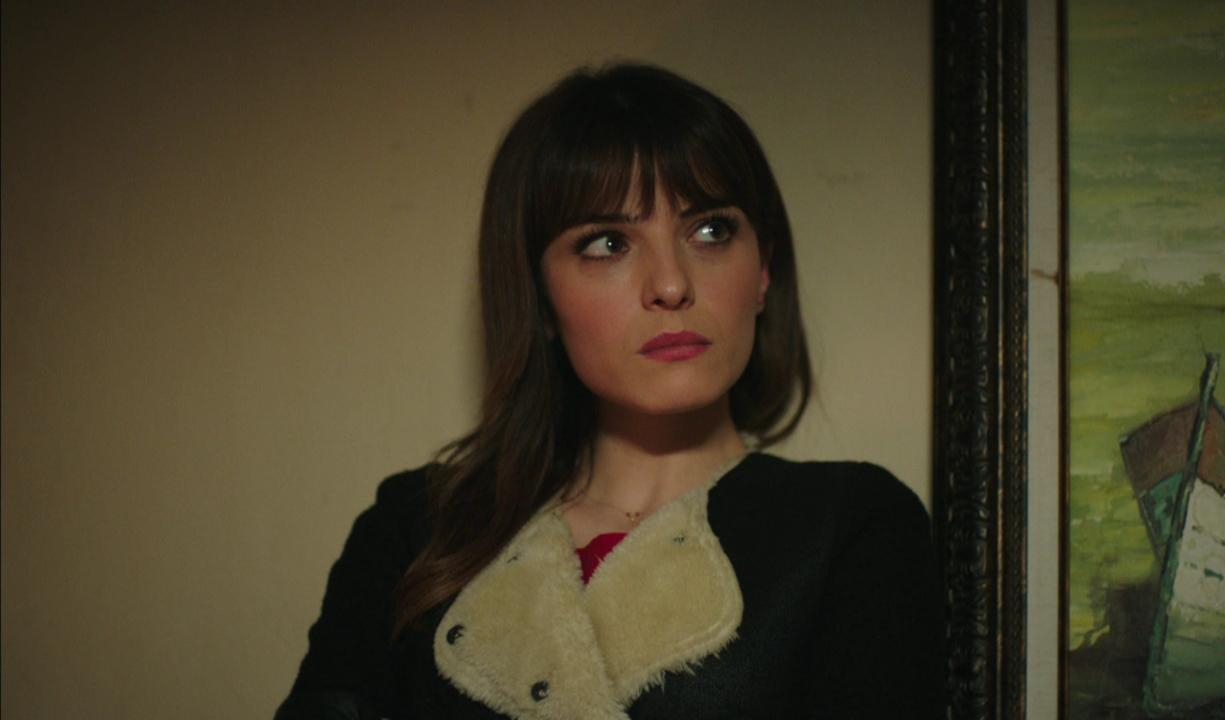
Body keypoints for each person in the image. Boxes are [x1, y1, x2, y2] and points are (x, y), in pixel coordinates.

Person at [276, 63, 944, 719]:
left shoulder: (851, 527)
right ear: (539, 296)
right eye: (606, 243)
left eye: (710, 230)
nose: (671, 284)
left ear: (763, 270)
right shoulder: (417, 530)